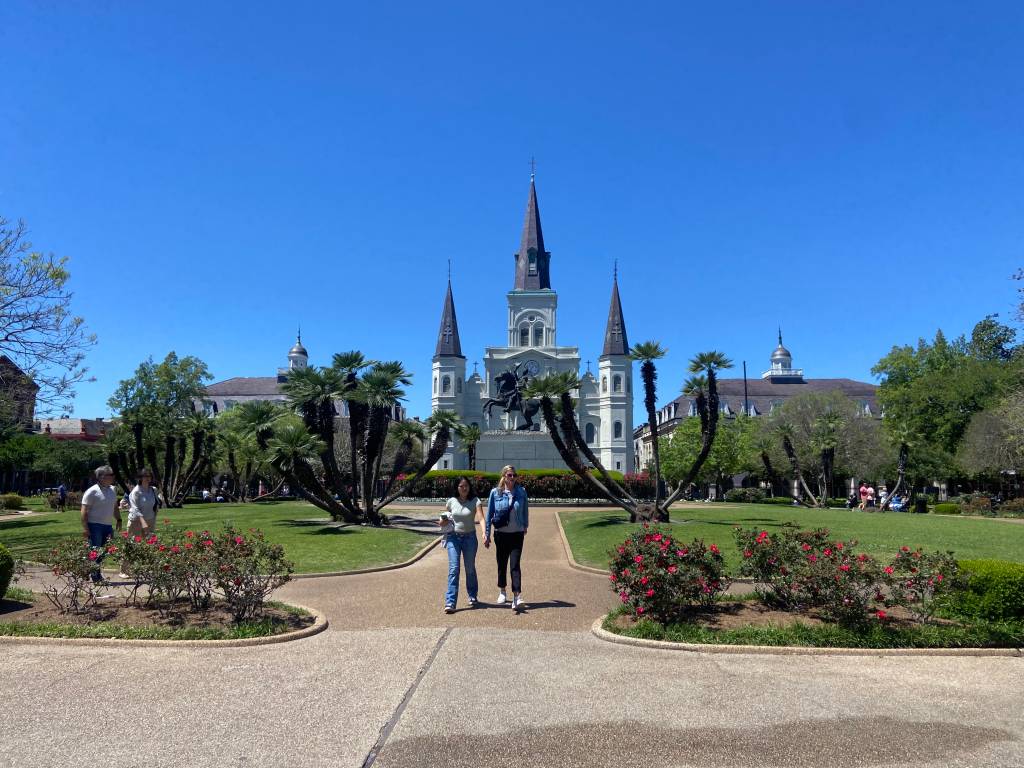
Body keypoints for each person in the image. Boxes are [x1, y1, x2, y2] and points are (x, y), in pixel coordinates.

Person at [484, 464, 529, 612]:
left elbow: (525, 510)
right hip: (501, 534)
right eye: (509, 475)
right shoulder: (495, 493)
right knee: (502, 563)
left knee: (515, 565)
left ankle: (517, 596)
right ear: (504, 476)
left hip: (517, 534)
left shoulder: (521, 492)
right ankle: (502, 591)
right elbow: (489, 514)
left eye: (514, 475)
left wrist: (525, 526)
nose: (512, 478)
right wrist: (487, 534)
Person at [439, 476, 483, 613]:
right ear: (457, 488)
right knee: (454, 568)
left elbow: (481, 518)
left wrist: (484, 533)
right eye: (461, 486)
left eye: (466, 486)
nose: (464, 488)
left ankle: (472, 595)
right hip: (453, 538)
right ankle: (450, 602)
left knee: (469, 568)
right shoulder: (451, 501)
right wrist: (442, 522)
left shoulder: (475, 501)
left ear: (469, 487)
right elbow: (444, 517)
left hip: (470, 538)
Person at [81, 465, 122, 583]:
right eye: (111, 475)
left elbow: (114, 507)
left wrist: (119, 519)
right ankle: (96, 577)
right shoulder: (92, 491)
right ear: (102, 477)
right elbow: (84, 511)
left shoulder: (112, 490)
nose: (113, 477)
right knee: (95, 551)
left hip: (107, 526)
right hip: (95, 526)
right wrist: (85, 528)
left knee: (105, 551)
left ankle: (86, 567)